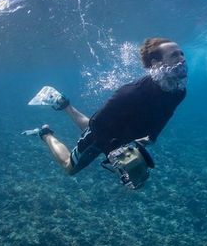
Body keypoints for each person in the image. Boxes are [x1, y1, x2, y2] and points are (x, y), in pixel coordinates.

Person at [25, 37, 187, 176]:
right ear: (156, 63)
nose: (182, 58)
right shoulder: (131, 92)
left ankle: (63, 103)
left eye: (182, 53)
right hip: (103, 131)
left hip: (120, 131)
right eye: (174, 55)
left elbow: (167, 113)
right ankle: (45, 133)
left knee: (91, 131)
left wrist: (152, 136)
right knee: (70, 168)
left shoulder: (179, 91)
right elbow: (96, 124)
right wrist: (112, 152)